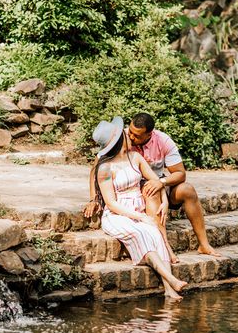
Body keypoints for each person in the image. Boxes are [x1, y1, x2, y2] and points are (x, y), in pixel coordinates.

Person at [92, 116, 188, 301]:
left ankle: (169, 289)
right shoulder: (105, 168)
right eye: (124, 135)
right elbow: (111, 203)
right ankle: (170, 279)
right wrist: (140, 217)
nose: (129, 136)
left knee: (155, 234)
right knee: (140, 234)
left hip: (137, 210)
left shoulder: (135, 158)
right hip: (118, 214)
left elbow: (155, 180)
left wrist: (165, 202)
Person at [127, 113, 219, 257]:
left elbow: (180, 174)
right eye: (130, 131)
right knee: (152, 191)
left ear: (150, 134)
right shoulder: (122, 138)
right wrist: (94, 198)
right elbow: (99, 164)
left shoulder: (163, 141)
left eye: (136, 136)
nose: (131, 137)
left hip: (158, 183)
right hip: (132, 189)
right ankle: (163, 248)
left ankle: (204, 244)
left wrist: (161, 182)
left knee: (187, 190)